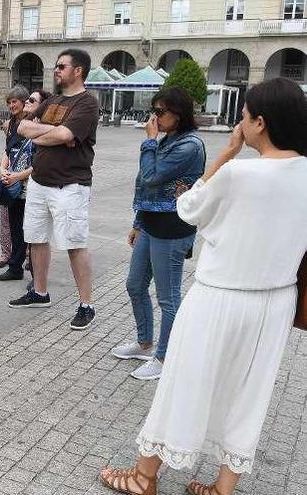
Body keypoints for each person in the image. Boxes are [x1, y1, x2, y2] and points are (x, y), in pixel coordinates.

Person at [99, 77, 307, 495]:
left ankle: (145, 477)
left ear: (260, 123)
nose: (240, 124)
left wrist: (227, 154)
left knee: (185, 379)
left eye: (244, 117)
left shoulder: (240, 173)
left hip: (220, 295)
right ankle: (222, 487)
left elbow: (189, 207)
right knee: (251, 390)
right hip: (277, 300)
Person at [113, 87, 205, 381]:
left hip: (173, 229)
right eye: (154, 111)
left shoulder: (189, 145)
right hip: (151, 224)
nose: (154, 117)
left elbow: (152, 177)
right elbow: (147, 187)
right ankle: (144, 343)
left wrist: (149, 142)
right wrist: (138, 222)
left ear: (179, 114)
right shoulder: (168, 140)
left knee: (168, 298)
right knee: (135, 285)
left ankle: (165, 357)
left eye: (160, 112)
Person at [9, 49, 99, 331]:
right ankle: (40, 291)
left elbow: (64, 134)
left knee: (74, 243)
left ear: (78, 71)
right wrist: (53, 134)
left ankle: (86, 304)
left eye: (61, 66)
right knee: (36, 238)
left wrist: (52, 134)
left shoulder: (87, 103)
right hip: (39, 182)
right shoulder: (53, 102)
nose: (56, 70)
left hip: (69, 185)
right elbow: (24, 127)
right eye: (56, 66)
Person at [0, 88, 49, 283]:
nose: (13, 105)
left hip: (32, 184)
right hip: (14, 184)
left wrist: (18, 176)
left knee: (33, 230)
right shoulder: (11, 125)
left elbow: (40, 161)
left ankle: (37, 275)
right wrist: (2, 169)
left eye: (17, 101)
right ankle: (15, 267)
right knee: (16, 227)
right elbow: (7, 151)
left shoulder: (39, 126)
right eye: (9, 102)